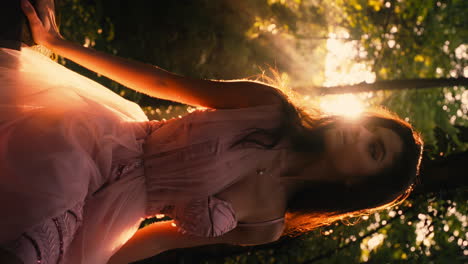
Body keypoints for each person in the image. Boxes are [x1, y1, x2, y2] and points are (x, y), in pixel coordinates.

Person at [0, 0, 423, 263]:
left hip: (109, 218)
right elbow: (163, 83)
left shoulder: (268, 226)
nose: (360, 134)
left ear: (357, 183)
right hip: (99, 145)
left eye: (374, 151)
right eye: (370, 127)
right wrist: (58, 44)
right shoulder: (271, 108)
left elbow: (160, 242)